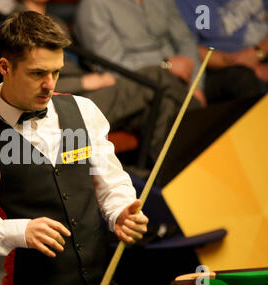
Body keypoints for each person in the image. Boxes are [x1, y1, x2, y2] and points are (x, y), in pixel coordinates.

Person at [0, 11, 149, 285]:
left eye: (56, 71)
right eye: (37, 73)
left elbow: (111, 183)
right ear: (4, 67)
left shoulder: (83, 111)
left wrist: (119, 212)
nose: (50, 84)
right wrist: (17, 231)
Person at [15, 0, 192, 164]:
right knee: (156, 76)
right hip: (60, 103)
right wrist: (84, 82)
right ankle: (196, 107)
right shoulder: (17, 25)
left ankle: (167, 176)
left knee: (163, 104)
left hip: (85, 97)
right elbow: (28, 84)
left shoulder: (55, 21)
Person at [74, 0, 207, 108]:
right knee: (170, 103)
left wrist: (196, 85)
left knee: (227, 84)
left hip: (186, 78)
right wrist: (165, 64)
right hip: (139, 85)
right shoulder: (94, 5)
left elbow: (185, 41)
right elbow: (111, 66)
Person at [175, 0, 268, 102]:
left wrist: (257, 54)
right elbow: (191, 48)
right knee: (243, 78)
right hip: (229, 71)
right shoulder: (184, 3)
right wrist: (243, 64)